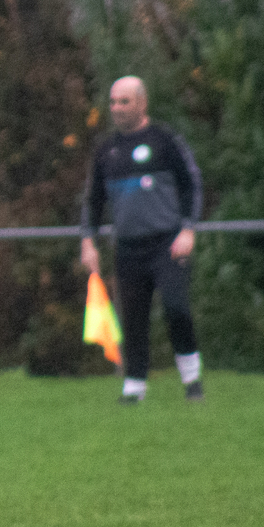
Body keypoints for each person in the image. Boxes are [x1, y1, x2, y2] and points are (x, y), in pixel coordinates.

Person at [80, 75, 205, 403]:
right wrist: (88, 241)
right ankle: (135, 386)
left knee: (176, 308)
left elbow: (191, 184)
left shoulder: (165, 141)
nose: (117, 108)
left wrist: (188, 229)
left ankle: (192, 379)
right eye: (113, 102)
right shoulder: (106, 151)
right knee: (133, 317)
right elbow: (93, 200)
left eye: (124, 101)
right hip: (128, 247)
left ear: (142, 103)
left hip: (168, 243)